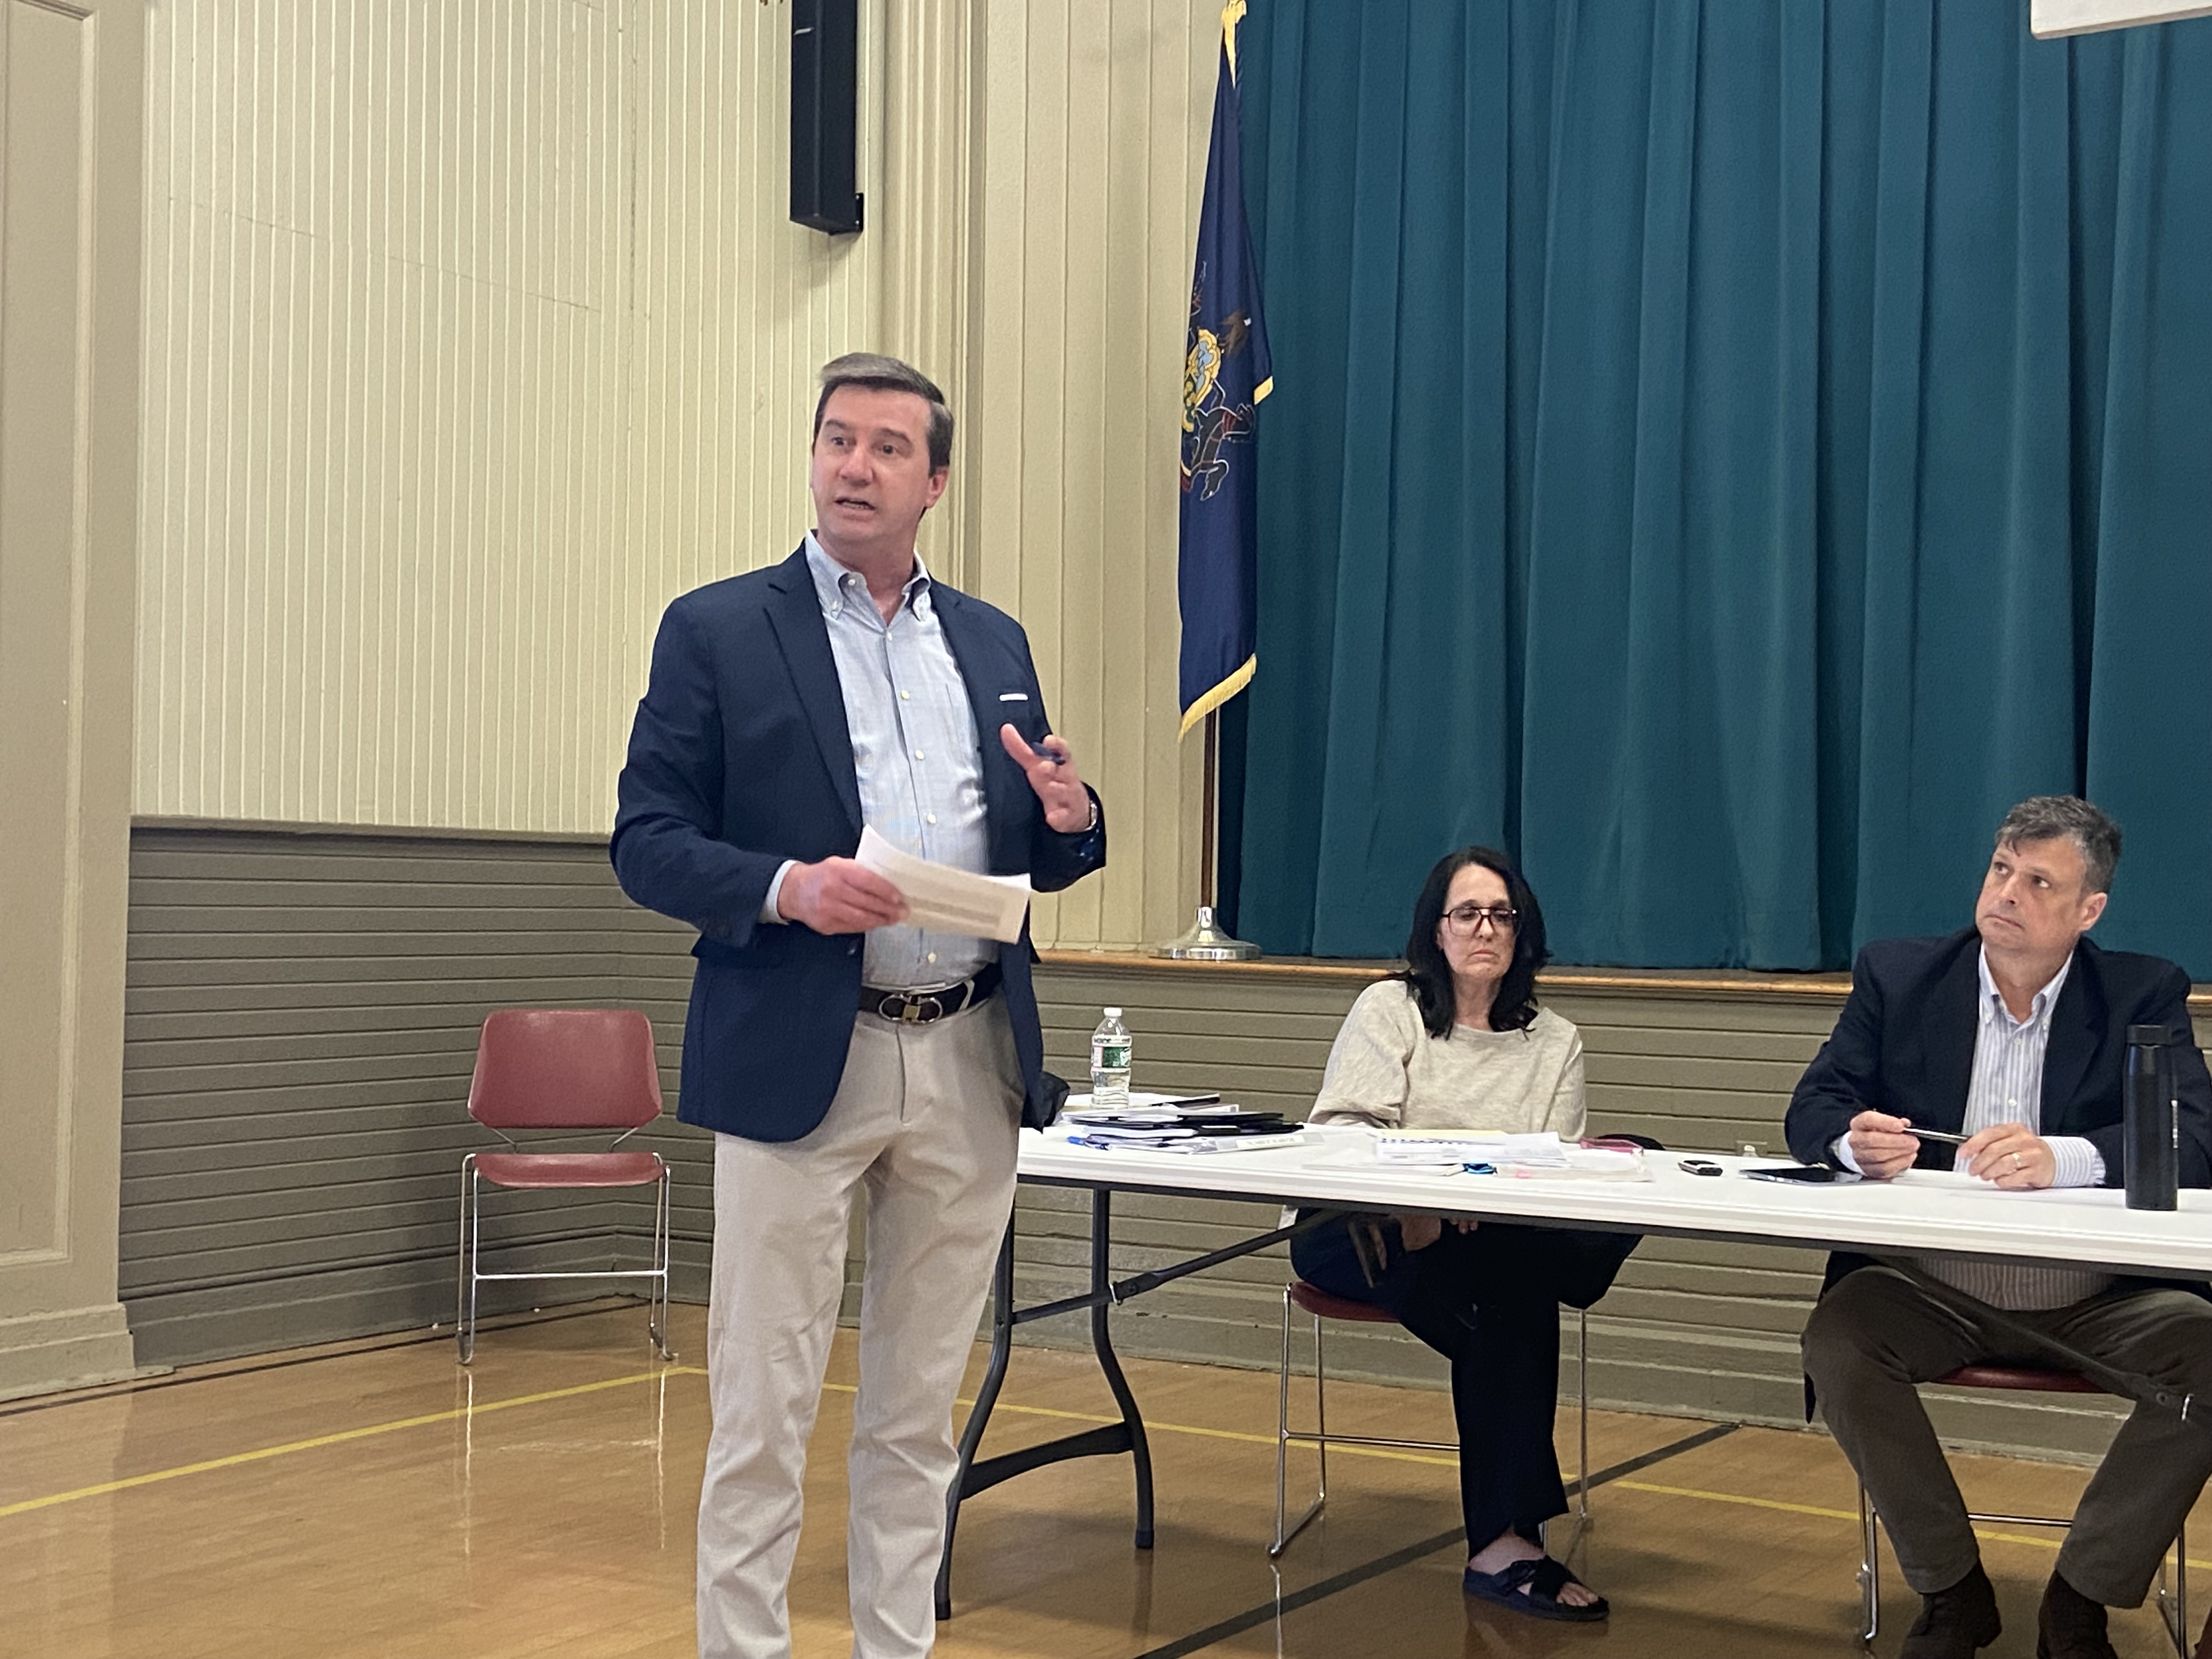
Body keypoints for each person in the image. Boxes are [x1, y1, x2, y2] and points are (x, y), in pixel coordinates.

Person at [610, 352, 1107, 1659]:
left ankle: (899, 1646)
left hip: (970, 1050)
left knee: (915, 1410)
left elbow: (1032, 841)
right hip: (797, 1052)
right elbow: (645, 840)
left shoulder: (992, 641)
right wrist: (782, 887)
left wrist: (1075, 818)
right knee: (763, 1404)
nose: (854, 467)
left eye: (889, 448)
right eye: (837, 440)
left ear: (934, 482)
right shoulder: (717, 628)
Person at [1785, 795, 2212, 1659]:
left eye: (2039, 881)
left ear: (2088, 911)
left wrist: (2071, 1158)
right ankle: (1951, 1591)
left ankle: (2082, 1596)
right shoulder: (1899, 977)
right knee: (1839, 1338)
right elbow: (1815, 1105)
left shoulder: (2143, 990)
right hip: (1935, 1291)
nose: (2007, 894)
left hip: (2101, 1301)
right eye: (2001, 870)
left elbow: (2195, 1134)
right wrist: (1850, 1140)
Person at [1293, 845, 1640, 1623]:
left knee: (1598, 1194)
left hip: (1481, 1236)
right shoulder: (1391, 1009)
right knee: (1515, 1296)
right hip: (1360, 1223)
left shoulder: (1555, 1041)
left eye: (1501, 915)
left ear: (1522, 931)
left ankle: (1504, 1547)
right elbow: (1346, 1135)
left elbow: (1555, 1165)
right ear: (1436, 929)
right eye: (1467, 914)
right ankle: (1511, 1540)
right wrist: (1419, 1199)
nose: (1485, 928)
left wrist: (1469, 1202)